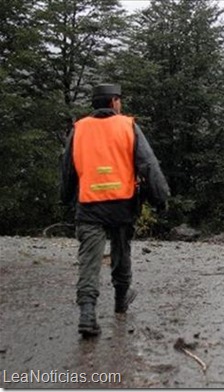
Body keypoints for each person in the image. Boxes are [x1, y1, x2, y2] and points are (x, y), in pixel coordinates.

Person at [60, 83, 170, 338]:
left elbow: (67, 168)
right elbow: (148, 164)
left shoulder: (79, 129)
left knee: (88, 261)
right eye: (119, 100)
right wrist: (160, 198)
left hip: (89, 205)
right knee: (122, 253)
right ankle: (121, 300)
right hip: (122, 204)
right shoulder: (128, 126)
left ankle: (87, 313)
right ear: (113, 102)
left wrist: (65, 198)